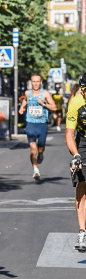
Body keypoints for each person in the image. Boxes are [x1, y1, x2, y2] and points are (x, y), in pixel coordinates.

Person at [19, 73, 56, 180]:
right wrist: (22, 108)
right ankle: (35, 170)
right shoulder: (27, 93)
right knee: (32, 148)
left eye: (37, 81)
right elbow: (25, 100)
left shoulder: (45, 93)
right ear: (31, 82)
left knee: (41, 147)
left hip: (42, 124)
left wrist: (43, 104)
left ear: (41, 82)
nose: (35, 84)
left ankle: (41, 154)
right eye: (33, 81)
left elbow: (54, 107)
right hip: (30, 124)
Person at [65, 71, 86, 252]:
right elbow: (69, 135)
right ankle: (82, 231)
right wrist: (76, 155)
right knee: (82, 184)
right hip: (84, 143)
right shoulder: (76, 102)